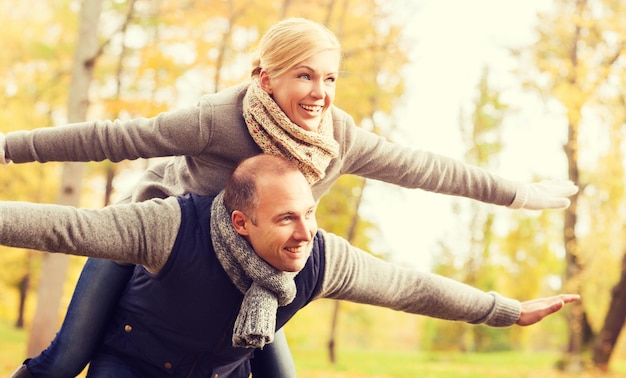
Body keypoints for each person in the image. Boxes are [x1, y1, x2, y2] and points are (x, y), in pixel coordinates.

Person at [2, 17, 579, 378]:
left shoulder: (338, 139)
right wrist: (9, 148)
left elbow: (429, 171)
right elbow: (114, 138)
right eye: (304, 76)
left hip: (259, 270)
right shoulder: (215, 120)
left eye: (330, 79)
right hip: (156, 245)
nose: (320, 94)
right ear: (264, 76)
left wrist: (523, 195)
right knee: (66, 360)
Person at [4, 154, 579, 377]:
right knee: (61, 365)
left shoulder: (320, 256)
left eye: (309, 214)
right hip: (134, 359)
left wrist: (504, 311)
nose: (305, 233)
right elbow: (64, 227)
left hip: (221, 365)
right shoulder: (168, 224)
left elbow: (409, 287)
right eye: (286, 220)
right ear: (241, 223)